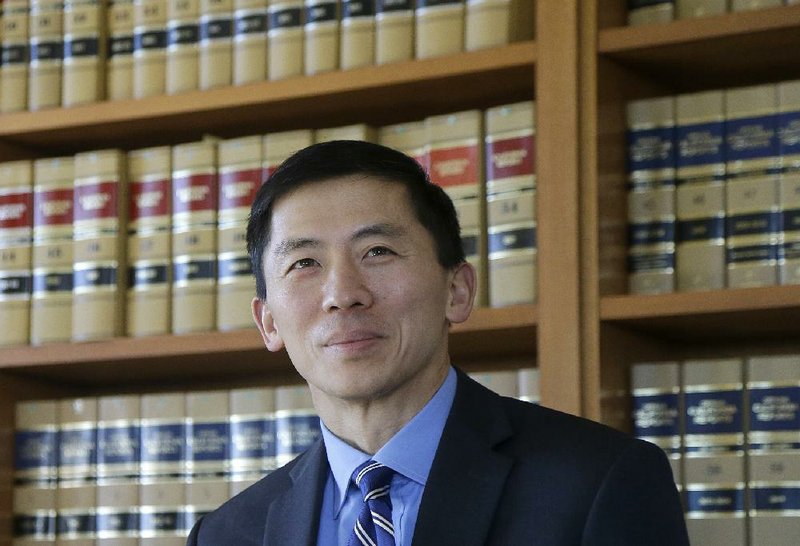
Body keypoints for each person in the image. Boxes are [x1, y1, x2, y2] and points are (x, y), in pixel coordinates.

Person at [187, 140, 690, 545]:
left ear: (457, 291)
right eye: (304, 263)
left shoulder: (600, 483)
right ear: (268, 321)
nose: (342, 295)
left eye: (377, 251)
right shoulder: (228, 533)